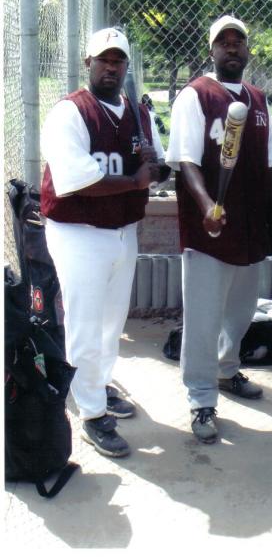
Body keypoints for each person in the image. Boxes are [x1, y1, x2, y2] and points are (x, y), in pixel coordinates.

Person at [40, 27, 169, 458]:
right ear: (88, 64)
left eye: (118, 61)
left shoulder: (139, 113)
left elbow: (156, 162)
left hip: (122, 230)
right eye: (103, 60)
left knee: (113, 322)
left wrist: (156, 167)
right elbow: (74, 181)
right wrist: (135, 179)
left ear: (126, 66)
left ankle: (96, 384)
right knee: (84, 321)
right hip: (78, 232)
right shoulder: (70, 112)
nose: (110, 67)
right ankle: (91, 412)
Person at [166, 14, 272, 444]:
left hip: (250, 222)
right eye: (223, 42)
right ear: (212, 50)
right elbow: (186, 161)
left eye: (238, 41)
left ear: (247, 50)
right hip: (209, 227)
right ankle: (200, 397)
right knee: (202, 316)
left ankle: (227, 369)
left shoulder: (258, 98)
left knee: (240, 308)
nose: (232, 47)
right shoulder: (195, 96)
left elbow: (270, 164)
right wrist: (207, 205)